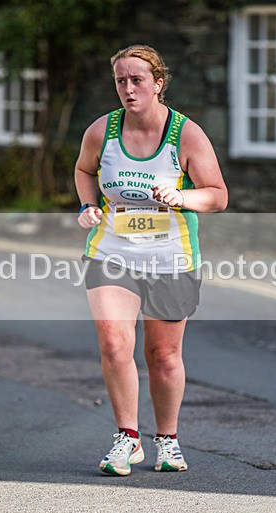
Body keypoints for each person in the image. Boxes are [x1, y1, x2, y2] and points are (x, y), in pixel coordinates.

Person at [75, 44, 228, 476]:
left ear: (158, 84)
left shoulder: (187, 135)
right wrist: (87, 206)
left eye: (137, 80)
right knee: (114, 343)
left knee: (162, 355)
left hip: (171, 257)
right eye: (120, 81)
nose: (128, 88)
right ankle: (127, 437)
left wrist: (182, 196)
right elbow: (85, 170)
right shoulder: (101, 131)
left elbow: (217, 196)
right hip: (111, 252)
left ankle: (168, 440)